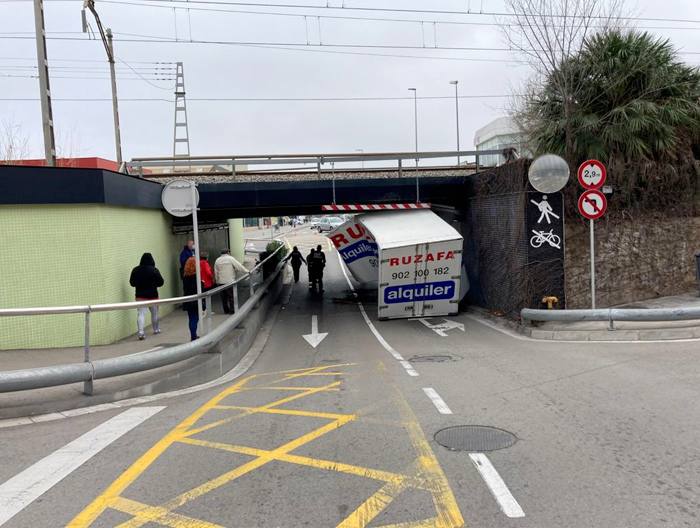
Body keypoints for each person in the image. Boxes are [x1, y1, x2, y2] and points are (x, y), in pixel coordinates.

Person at [129, 252, 164, 340]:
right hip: (153, 296)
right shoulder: (154, 270)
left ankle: (141, 333)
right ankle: (156, 329)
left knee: (141, 314)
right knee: (154, 313)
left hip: (140, 296)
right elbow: (161, 282)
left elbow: (132, 283)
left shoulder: (136, 270)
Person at [215, 248, 248, 314]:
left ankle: (226, 310)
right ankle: (232, 310)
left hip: (221, 281)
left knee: (223, 298)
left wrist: (217, 281)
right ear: (228, 252)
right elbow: (239, 266)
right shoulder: (230, 258)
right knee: (231, 297)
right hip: (229, 281)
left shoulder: (217, 260)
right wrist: (247, 271)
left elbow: (216, 272)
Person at [182, 257, 203, 341]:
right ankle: (193, 336)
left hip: (188, 299)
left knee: (191, 318)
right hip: (195, 300)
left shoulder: (185, 277)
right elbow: (197, 288)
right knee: (195, 318)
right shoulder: (196, 277)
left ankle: (193, 335)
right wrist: (202, 283)